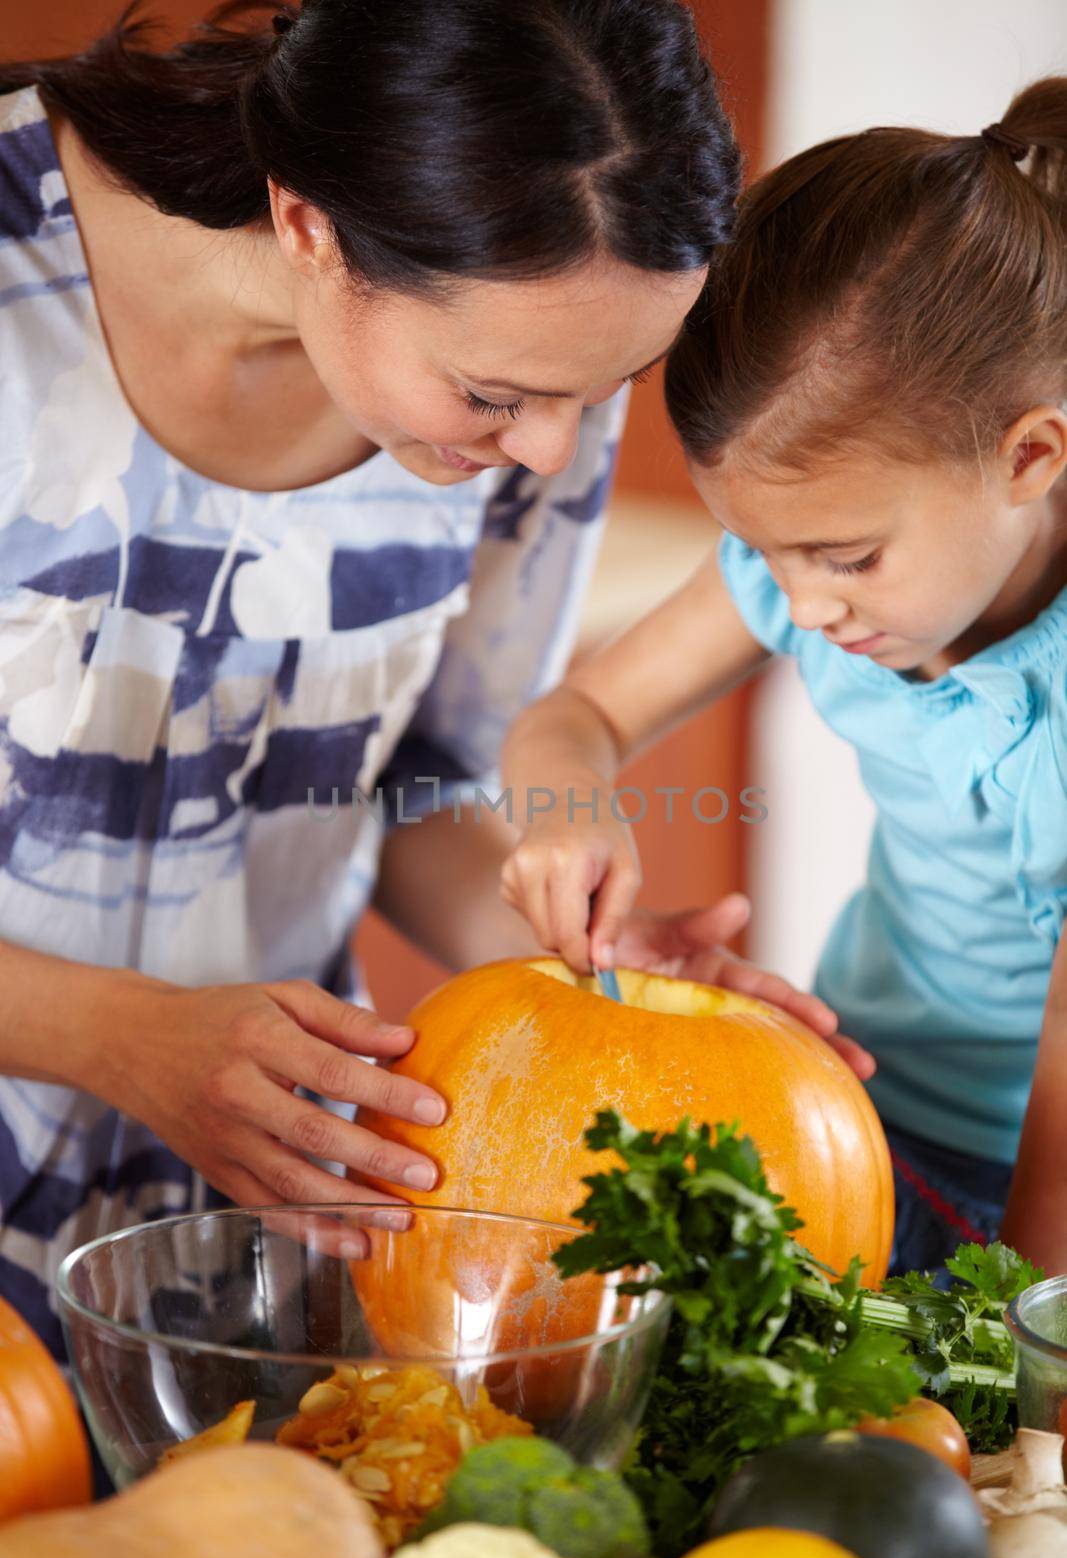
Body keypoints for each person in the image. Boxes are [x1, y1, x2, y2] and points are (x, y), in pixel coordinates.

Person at [0, 0, 842, 1361]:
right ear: (309, 230)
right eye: (491, 395)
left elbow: (406, 779)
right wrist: (122, 1038)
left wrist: (568, 981)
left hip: (255, 1259)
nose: (550, 453)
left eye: (607, 383)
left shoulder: (541, 335)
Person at [500, 80, 1067, 1277]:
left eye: (845, 556)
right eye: (762, 552)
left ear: (1028, 456)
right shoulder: (815, 577)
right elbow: (579, 714)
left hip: (1037, 1187)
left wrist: (1013, 1343)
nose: (800, 605)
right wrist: (567, 806)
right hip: (859, 1123)